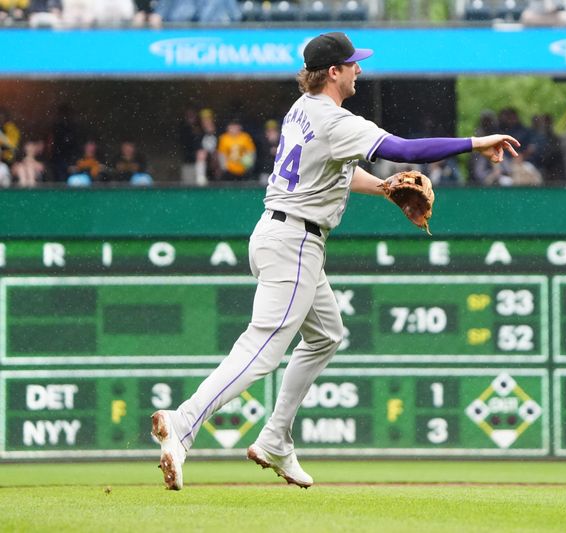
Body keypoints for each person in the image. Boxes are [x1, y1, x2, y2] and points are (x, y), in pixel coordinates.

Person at [150, 31, 519, 491]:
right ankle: (183, 425)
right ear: (334, 72)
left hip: (275, 233)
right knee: (260, 352)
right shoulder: (335, 119)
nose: (359, 69)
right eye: (353, 63)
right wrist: (474, 142)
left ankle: (275, 439)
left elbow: (339, 168)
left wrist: (384, 188)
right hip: (296, 244)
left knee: (326, 335)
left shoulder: (301, 110)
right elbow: (403, 150)